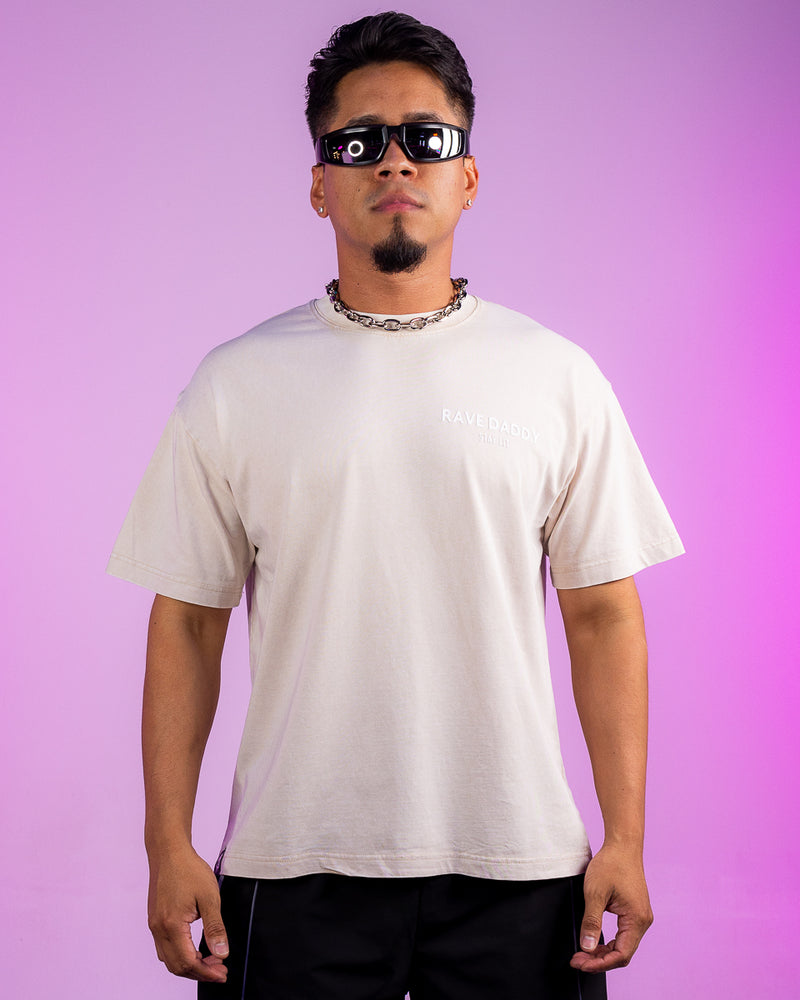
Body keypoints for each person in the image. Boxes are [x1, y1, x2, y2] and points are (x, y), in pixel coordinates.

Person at [108, 11, 684, 999]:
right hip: (294, 862)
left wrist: (625, 837)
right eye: (358, 142)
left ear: (468, 175)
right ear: (318, 184)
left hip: (520, 863)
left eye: (426, 137)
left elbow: (600, 614)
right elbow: (190, 623)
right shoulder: (235, 384)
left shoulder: (555, 377)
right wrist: (168, 844)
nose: (394, 162)